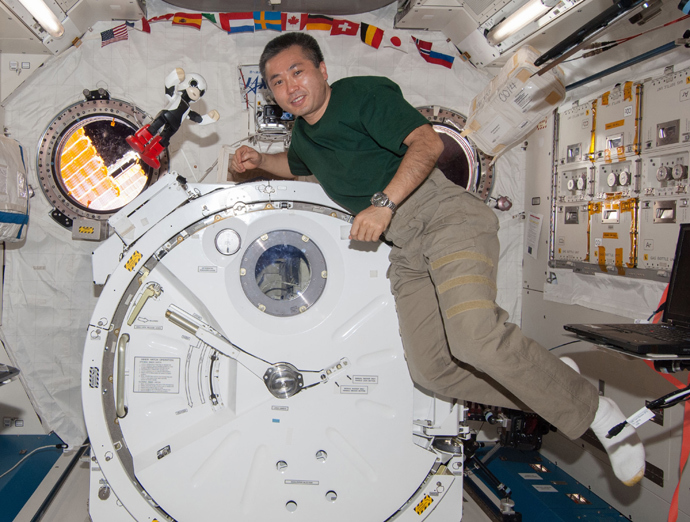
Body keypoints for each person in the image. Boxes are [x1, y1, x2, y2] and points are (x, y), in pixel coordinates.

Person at [231, 32, 646, 486]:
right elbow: (295, 163)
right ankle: (552, 381)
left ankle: (602, 416)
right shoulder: (306, 134)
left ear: (322, 70)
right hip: (409, 249)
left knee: (473, 339)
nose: (290, 86)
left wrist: (383, 204)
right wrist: (257, 160)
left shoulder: (361, 96)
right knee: (433, 371)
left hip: (446, 219)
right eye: (276, 81)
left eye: (297, 71)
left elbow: (427, 143)